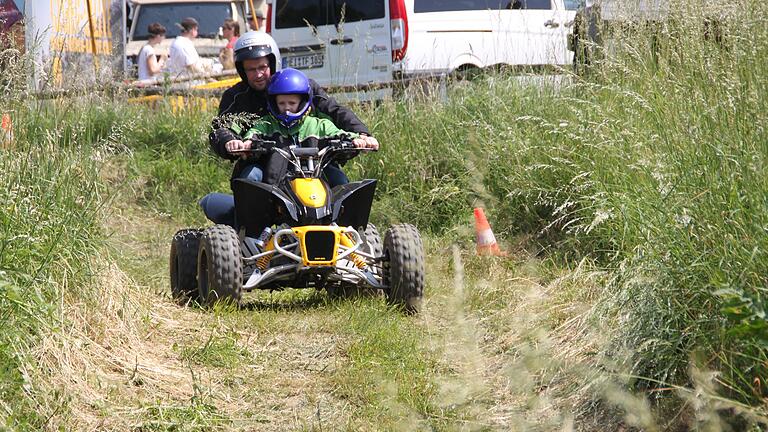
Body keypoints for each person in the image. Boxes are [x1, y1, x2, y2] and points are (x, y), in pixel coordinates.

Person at [202, 31, 379, 228]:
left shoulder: (300, 86)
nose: (258, 74)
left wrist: (361, 134)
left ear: (273, 63)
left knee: (338, 179)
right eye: (251, 69)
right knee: (250, 178)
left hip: (310, 160)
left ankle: (350, 234)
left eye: (262, 67)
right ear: (242, 70)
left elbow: (334, 111)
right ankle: (248, 237)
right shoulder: (236, 96)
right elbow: (221, 127)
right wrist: (231, 142)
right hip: (263, 160)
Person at [228, 68, 375, 183]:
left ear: (302, 103)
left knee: (338, 178)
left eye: (292, 103)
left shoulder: (319, 125)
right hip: (276, 180)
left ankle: (347, 220)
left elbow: (339, 134)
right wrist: (247, 144)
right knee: (251, 176)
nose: (287, 108)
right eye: (281, 103)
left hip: (316, 176)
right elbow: (253, 133)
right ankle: (251, 221)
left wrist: (358, 139)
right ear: (273, 103)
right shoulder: (266, 123)